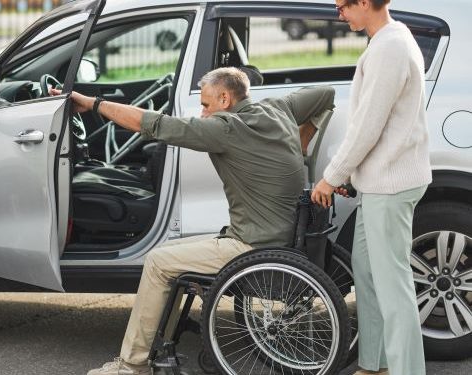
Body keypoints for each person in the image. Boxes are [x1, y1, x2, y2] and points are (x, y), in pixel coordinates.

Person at [58, 66, 335, 375]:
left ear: (225, 98)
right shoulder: (278, 108)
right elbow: (326, 94)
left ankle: (130, 366)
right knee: (174, 253)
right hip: (281, 236)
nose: (203, 113)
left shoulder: (225, 128)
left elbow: (152, 124)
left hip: (251, 246)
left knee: (158, 261)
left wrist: (93, 104)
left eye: (205, 105)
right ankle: (158, 346)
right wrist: (302, 141)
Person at [311, 1, 432, 375]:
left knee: (394, 287)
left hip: (391, 185)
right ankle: (375, 364)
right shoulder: (387, 41)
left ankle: (406, 370)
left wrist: (332, 175)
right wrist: (350, 174)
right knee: (366, 270)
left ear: (364, 2)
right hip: (380, 182)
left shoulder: (389, 47)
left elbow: (368, 126)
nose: (339, 14)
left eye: (342, 6)